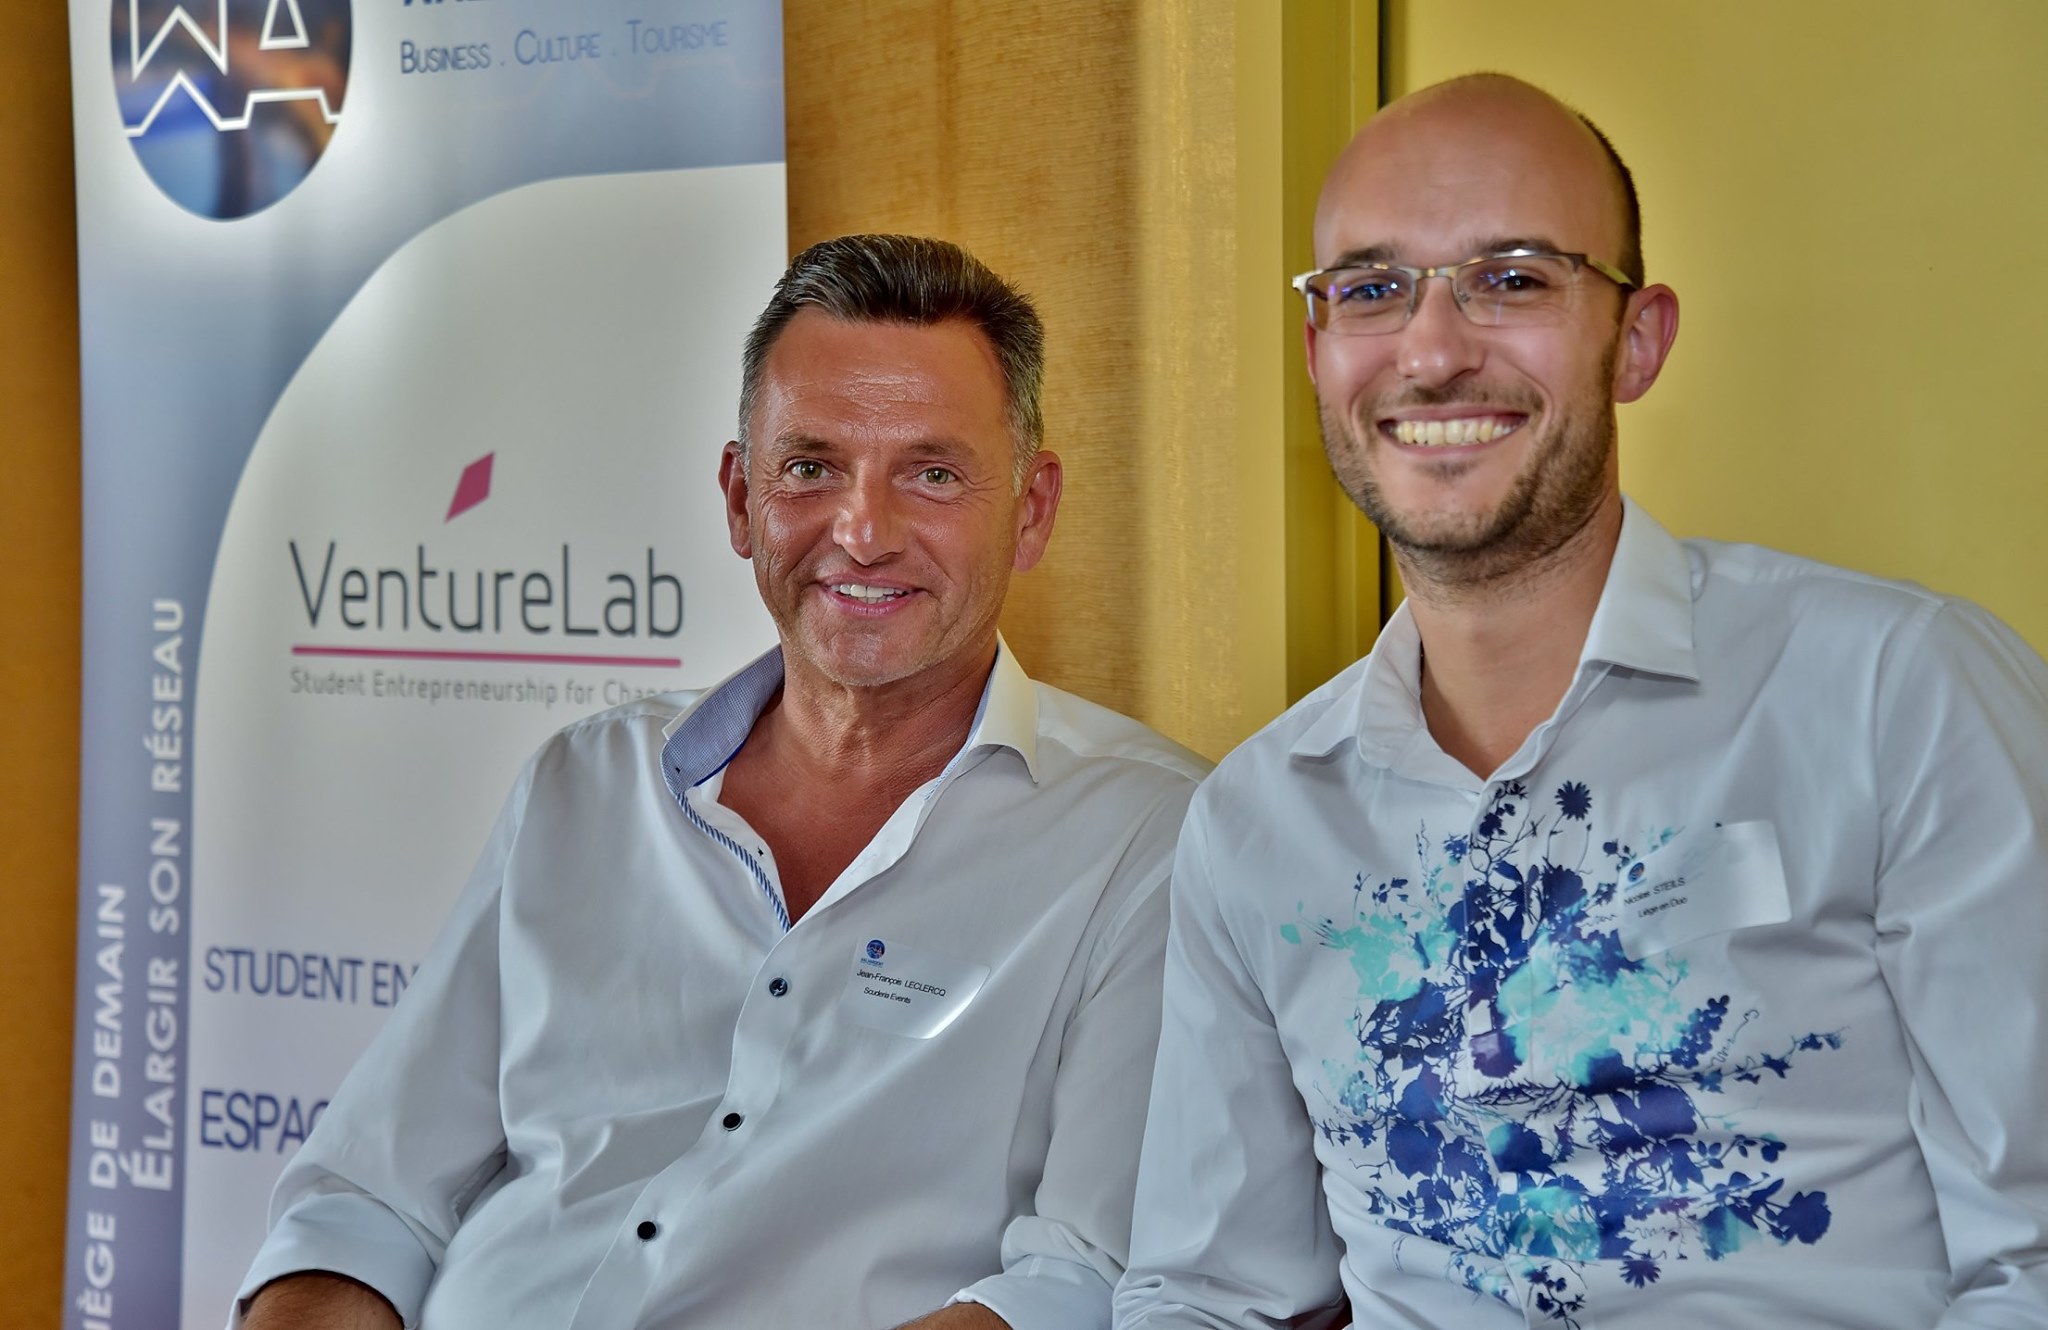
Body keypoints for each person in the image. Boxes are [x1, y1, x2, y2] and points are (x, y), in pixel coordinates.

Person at [1114, 73, 2048, 1328]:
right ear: (1317, 354)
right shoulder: (1254, 823)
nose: (1430, 352)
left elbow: (2034, 1257)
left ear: (1638, 339)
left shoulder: (1896, 695)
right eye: (1370, 290)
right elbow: (1207, 1294)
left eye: (1510, 278)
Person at [238, 234, 1207, 1330]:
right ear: (741, 499)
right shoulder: (584, 783)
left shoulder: (1152, 842)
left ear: (1031, 510)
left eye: (931, 474)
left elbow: (1078, 1280)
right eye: (810, 468)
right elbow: (367, 1201)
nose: (862, 533)